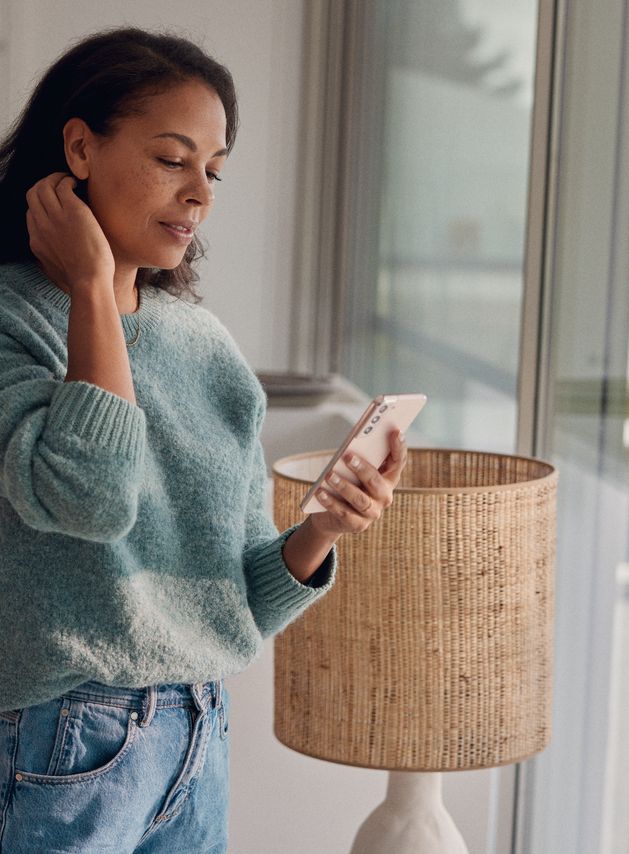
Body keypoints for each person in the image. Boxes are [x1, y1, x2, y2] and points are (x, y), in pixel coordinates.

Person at [0, 26, 408, 853]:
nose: (201, 194)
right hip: (57, 741)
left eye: (214, 170)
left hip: (196, 729)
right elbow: (86, 498)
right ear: (79, 147)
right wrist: (89, 285)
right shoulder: (13, 320)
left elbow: (241, 597)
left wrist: (323, 528)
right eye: (172, 159)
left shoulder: (203, 344)